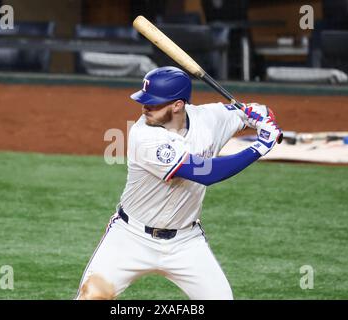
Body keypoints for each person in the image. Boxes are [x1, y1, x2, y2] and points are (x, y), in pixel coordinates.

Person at [75, 66, 282, 300]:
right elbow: (207, 173)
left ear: (178, 105)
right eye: (144, 101)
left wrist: (257, 114)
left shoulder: (210, 117)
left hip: (186, 241)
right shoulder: (144, 136)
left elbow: (256, 112)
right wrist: (260, 146)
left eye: (154, 103)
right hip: (130, 238)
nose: (145, 108)